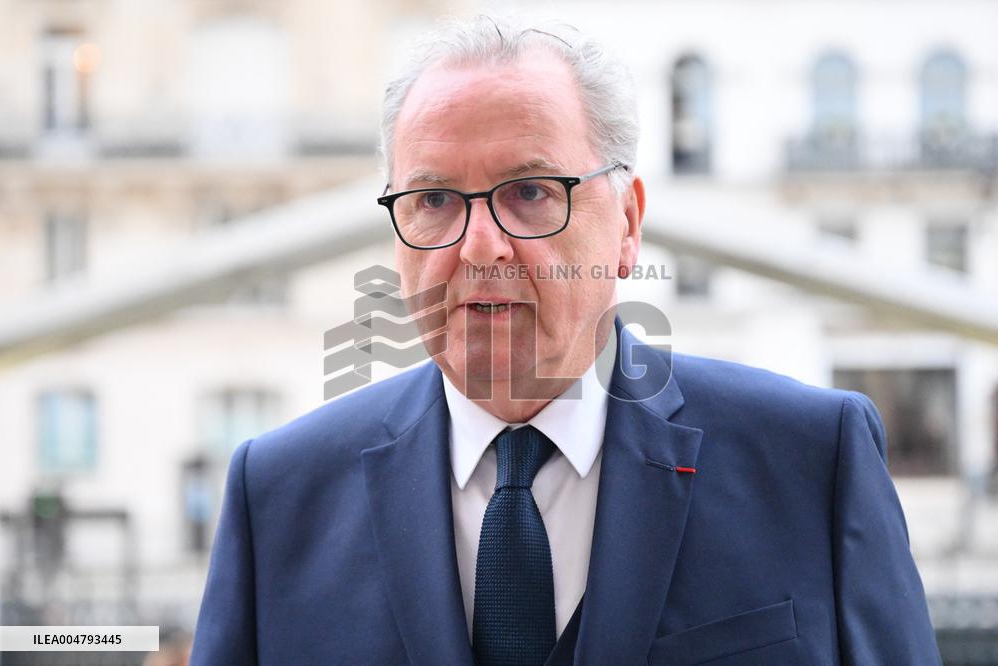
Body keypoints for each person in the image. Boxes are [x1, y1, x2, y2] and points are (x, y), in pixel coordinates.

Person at [190, 15, 942, 665]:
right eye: (433, 199)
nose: (480, 246)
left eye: (529, 192)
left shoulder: (811, 463)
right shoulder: (278, 498)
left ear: (627, 225)